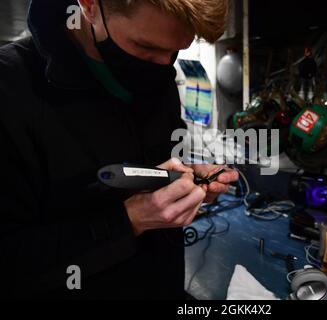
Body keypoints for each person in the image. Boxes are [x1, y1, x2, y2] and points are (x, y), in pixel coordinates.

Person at [0, 0, 236, 299]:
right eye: (145, 48)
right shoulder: (10, 88)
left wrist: (184, 179)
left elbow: (150, 167)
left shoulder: (158, 75)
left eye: (175, 51)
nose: (164, 65)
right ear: (89, 6)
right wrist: (129, 220)